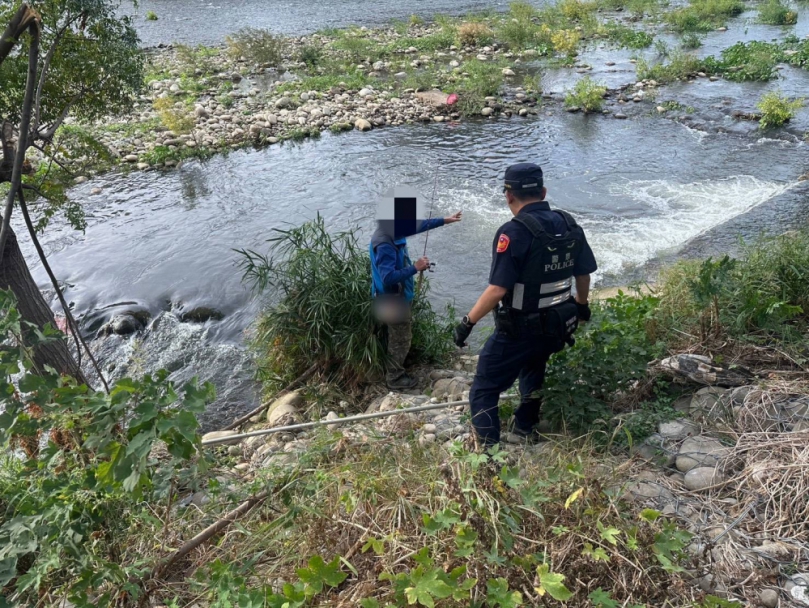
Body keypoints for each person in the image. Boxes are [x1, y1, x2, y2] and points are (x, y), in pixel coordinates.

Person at [453, 163, 598, 446]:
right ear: (543, 192)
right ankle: (524, 428)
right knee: (535, 367)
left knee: (484, 388)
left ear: (509, 195)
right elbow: (583, 275)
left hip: (519, 330)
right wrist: (582, 307)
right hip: (557, 324)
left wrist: (467, 323)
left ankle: (488, 454)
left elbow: (497, 289)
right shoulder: (569, 224)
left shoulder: (513, 232)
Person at [371, 211, 462, 389]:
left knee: (395, 336)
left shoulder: (390, 229)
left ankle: (390, 367)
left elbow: (419, 225)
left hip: (391, 297)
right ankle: (394, 379)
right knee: (401, 340)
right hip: (391, 301)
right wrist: (415, 267)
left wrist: (445, 220)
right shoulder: (384, 244)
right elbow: (387, 277)